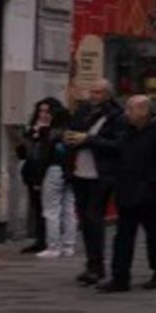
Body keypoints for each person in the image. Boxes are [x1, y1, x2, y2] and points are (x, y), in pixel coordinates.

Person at [100, 95, 156, 292]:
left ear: (143, 111)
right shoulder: (126, 129)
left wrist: (152, 179)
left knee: (154, 234)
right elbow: (117, 149)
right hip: (126, 188)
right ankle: (120, 277)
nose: (127, 113)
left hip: (149, 192)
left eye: (130, 109)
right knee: (123, 235)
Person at [65, 80, 124, 286]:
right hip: (79, 171)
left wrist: (88, 140)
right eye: (92, 91)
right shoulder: (83, 112)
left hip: (101, 175)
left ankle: (97, 266)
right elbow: (72, 130)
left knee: (94, 218)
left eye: (98, 92)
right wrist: (69, 138)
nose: (93, 95)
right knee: (85, 220)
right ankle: (91, 263)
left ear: (108, 94)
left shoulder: (116, 116)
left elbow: (118, 145)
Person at [17, 97, 69, 258]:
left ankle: (53, 242)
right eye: (41, 111)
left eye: (47, 111)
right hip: (32, 171)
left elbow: (50, 154)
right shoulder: (34, 128)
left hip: (48, 172)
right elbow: (23, 152)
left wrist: (42, 135)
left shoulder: (57, 131)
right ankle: (41, 239)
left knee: (50, 209)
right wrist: (31, 136)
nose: (43, 114)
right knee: (37, 207)